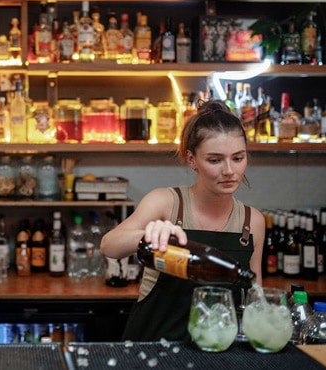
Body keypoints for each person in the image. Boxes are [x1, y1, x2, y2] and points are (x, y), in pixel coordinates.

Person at [100, 99, 265, 342]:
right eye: (215, 160)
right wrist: (149, 234)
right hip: (151, 349)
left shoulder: (252, 222)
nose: (229, 170)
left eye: (238, 158)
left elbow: (255, 297)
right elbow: (108, 245)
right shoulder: (166, 203)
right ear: (191, 159)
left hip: (217, 353)